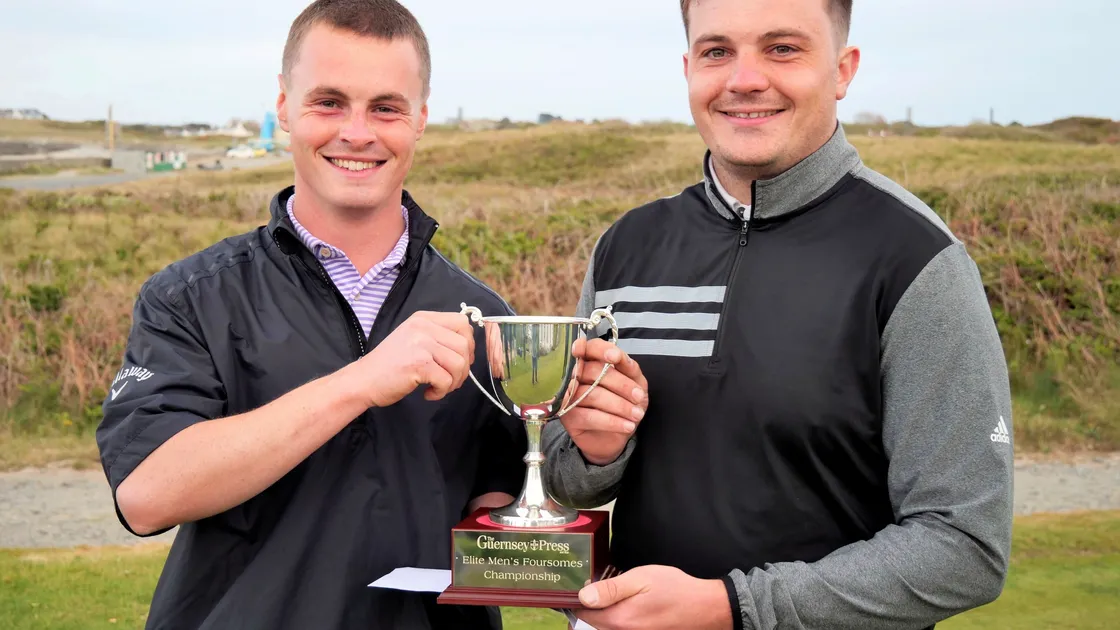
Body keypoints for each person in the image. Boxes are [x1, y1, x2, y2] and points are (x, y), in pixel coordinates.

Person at [542, 0, 1015, 628]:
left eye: (782, 48)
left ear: (843, 70)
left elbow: (965, 549)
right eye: (717, 52)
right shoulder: (626, 246)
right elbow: (570, 482)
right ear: (689, 68)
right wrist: (596, 454)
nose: (744, 79)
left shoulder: (916, 259)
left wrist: (731, 608)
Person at [95, 1, 530, 628]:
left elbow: (499, 500)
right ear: (283, 108)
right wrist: (359, 382)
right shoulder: (189, 296)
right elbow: (145, 495)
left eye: (386, 107)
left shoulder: (483, 315)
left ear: (421, 120)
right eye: (329, 102)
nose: (357, 132)